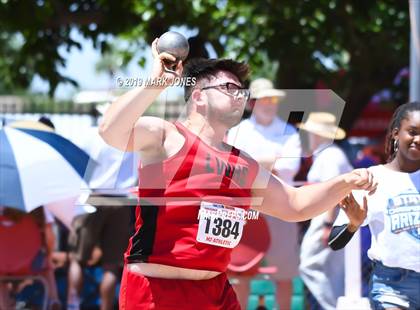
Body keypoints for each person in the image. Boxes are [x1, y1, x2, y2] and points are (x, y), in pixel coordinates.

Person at [98, 38, 377, 309]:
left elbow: (294, 205)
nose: (239, 95)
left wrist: (345, 182)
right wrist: (156, 83)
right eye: (230, 87)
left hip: (216, 292)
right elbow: (110, 131)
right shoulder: (166, 136)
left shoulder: (243, 163)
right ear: (198, 96)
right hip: (156, 291)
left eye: (242, 90)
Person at [329, 101, 420, 310]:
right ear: (396, 133)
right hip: (393, 286)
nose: (418, 139)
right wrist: (353, 224)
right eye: (412, 132)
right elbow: (334, 242)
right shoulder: (372, 178)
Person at [227, 78, 301, 309]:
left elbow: (291, 167)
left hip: (282, 208)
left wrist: (252, 163)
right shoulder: (239, 131)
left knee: (285, 274)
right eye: (264, 99)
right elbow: (233, 169)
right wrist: (271, 161)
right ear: (252, 103)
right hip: (247, 209)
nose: (269, 104)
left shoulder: (289, 131)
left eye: (273, 99)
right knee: (240, 273)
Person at [67, 125, 137, 310]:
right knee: (111, 265)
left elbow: (76, 162)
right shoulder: (132, 139)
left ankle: (73, 305)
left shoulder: (91, 134)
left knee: (77, 260)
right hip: (121, 201)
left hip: (92, 198)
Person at [297, 112, 353, 310]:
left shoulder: (330, 156)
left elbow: (333, 193)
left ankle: (333, 307)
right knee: (333, 271)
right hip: (338, 217)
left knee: (308, 264)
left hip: (329, 216)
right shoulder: (330, 154)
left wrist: (328, 224)